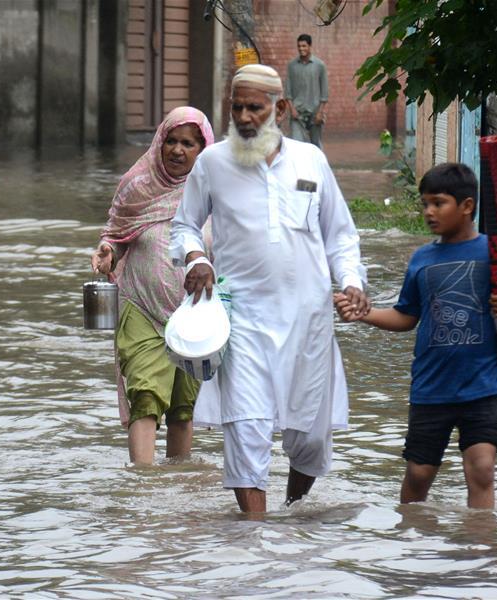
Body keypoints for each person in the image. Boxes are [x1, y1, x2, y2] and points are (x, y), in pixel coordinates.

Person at [169, 64, 369, 513]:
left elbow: (340, 235)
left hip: (309, 324)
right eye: (236, 106)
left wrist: (352, 283)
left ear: (279, 109)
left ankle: (292, 516)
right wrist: (197, 258)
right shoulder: (212, 163)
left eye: (254, 108)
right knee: (246, 427)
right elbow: (182, 227)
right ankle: (254, 545)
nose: (243, 116)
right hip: (242, 321)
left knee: (311, 439)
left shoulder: (310, 160)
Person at [335, 162, 497, 509]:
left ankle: (481, 548)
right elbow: (406, 316)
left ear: (466, 206)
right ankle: (413, 536)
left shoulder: (496, 253)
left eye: (438, 203)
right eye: (425, 204)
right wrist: (364, 314)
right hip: (431, 388)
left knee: (482, 468)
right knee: (418, 473)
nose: (429, 212)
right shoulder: (421, 259)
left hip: (483, 387)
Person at [91, 107, 215, 465]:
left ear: (202, 148)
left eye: (188, 144)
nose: (178, 150)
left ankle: (176, 483)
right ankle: (143, 486)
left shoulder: (213, 193)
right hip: (141, 308)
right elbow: (115, 234)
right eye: (171, 141)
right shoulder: (137, 185)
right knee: (145, 395)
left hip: (195, 314)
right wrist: (107, 252)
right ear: (159, 142)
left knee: (183, 407)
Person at [285, 33, 328, 148]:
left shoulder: (320, 65)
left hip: (315, 112)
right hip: (297, 113)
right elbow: (288, 91)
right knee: (296, 145)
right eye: (299, 46)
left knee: (315, 145)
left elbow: (324, 92)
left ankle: (316, 165)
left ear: (310, 46)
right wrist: (292, 109)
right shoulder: (292, 66)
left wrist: (320, 112)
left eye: (304, 46)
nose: (301, 49)